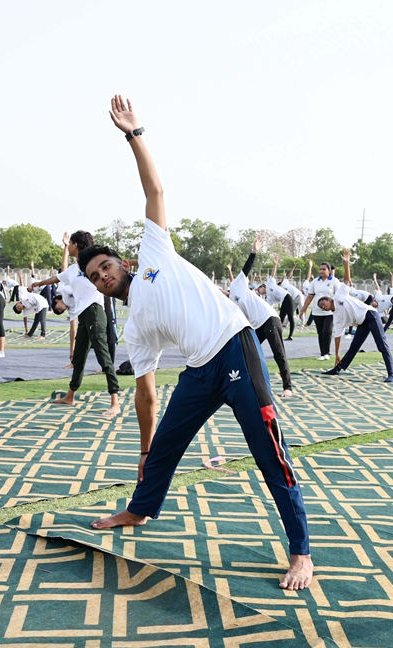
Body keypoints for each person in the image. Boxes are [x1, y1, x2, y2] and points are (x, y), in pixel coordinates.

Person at [79, 95, 312, 590]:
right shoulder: (134, 328)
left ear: (121, 261)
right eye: (95, 277)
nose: (102, 277)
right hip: (199, 371)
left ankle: (300, 551)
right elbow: (145, 390)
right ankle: (139, 510)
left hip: (234, 347)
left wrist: (134, 134)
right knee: (164, 445)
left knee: (269, 450)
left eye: (106, 267)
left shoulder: (155, 251)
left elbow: (155, 189)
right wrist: (144, 451)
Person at [41, 232, 121, 416]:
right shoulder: (73, 269)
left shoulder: (93, 263)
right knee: (79, 357)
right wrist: (38, 283)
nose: (68, 246)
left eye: (69, 244)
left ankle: (115, 401)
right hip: (83, 314)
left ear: (76, 245)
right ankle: (70, 395)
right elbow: (56, 278)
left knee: (103, 356)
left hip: (95, 310)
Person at [318, 249, 393, 382]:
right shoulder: (336, 317)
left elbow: (347, 280)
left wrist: (347, 263)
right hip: (362, 323)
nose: (323, 307)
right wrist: (337, 355)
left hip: (371, 315)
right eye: (320, 307)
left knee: (381, 344)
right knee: (354, 347)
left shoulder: (338, 296)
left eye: (323, 303)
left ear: (329, 299)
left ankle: (391, 374)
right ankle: (337, 369)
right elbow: (338, 337)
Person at [229, 237, 293, 398]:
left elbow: (246, 267)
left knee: (278, 352)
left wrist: (254, 251)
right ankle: (247, 384)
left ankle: (288, 387)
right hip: (258, 325)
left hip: (270, 318)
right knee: (247, 352)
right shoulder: (229, 304)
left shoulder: (237, 285)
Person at [301, 260, 338, 360]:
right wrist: (303, 310)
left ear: (329, 271)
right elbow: (310, 297)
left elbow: (339, 296)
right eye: (320, 269)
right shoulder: (315, 281)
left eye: (324, 269)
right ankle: (323, 353)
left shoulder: (334, 281)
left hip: (330, 312)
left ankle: (327, 352)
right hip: (317, 311)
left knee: (327, 330)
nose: (321, 271)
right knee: (320, 332)